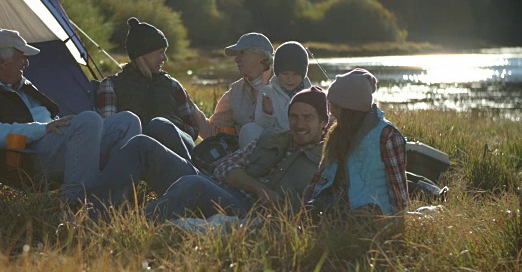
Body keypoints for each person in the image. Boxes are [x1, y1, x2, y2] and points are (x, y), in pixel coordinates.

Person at [0, 29, 141, 203]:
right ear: (2, 62)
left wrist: (57, 127)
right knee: (89, 120)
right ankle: (76, 203)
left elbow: (45, 119)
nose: (26, 63)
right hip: (25, 157)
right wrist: (43, 129)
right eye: (21, 57)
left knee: (127, 121)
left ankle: (117, 197)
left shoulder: (19, 84)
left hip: (49, 145)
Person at [145, 87, 329, 221]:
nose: (299, 124)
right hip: (221, 188)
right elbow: (224, 167)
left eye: (308, 117)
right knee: (144, 145)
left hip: (248, 210)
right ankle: (117, 210)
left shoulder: (325, 159)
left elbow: (310, 210)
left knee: (193, 183)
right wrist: (258, 187)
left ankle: (144, 221)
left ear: (323, 122)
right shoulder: (274, 138)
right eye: (294, 117)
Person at [303, 68, 409, 223]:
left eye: (335, 106)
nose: (331, 111)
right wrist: (306, 207)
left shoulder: (388, 136)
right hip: (336, 207)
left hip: (373, 214)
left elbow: (398, 188)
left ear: (351, 110)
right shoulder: (336, 133)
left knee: (362, 217)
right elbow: (321, 177)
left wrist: (399, 224)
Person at [96, 17, 198, 160]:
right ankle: (198, 176)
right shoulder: (110, 86)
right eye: (161, 52)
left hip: (178, 151)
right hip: (138, 154)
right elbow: (109, 133)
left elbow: (193, 131)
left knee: (160, 126)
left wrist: (172, 126)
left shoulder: (172, 84)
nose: (165, 59)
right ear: (144, 54)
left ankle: (195, 173)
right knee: (156, 127)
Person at [194, 32, 274, 140]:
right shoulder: (235, 92)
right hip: (247, 154)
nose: (236, 59)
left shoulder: (284, 84)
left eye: (242, 53)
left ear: (261, 56)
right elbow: (212, 131)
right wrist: (188, 106)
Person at [239, 41, 312, 148]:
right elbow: (261, 125)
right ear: (277, 73)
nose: (290, 79)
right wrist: (267, 113)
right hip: (275, 142)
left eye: (296, 74)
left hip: (303, 141)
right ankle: (259, 161)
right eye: (285, 74)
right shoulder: (267, 92)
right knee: (248, 130)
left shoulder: (312, 93)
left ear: (303, 74)